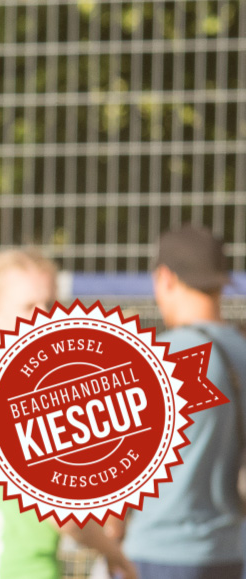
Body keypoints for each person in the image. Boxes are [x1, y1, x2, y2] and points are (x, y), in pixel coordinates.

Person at [0, 250, 134, 579]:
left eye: (52, 303)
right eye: (28, 307)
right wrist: (116, 554)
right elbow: (66, 518)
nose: (44, 316)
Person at [118, 227, 246, 579]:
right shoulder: (241, 352)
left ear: (165, 278)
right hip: (228, 554)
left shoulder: (162, 359)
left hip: (156, 551)